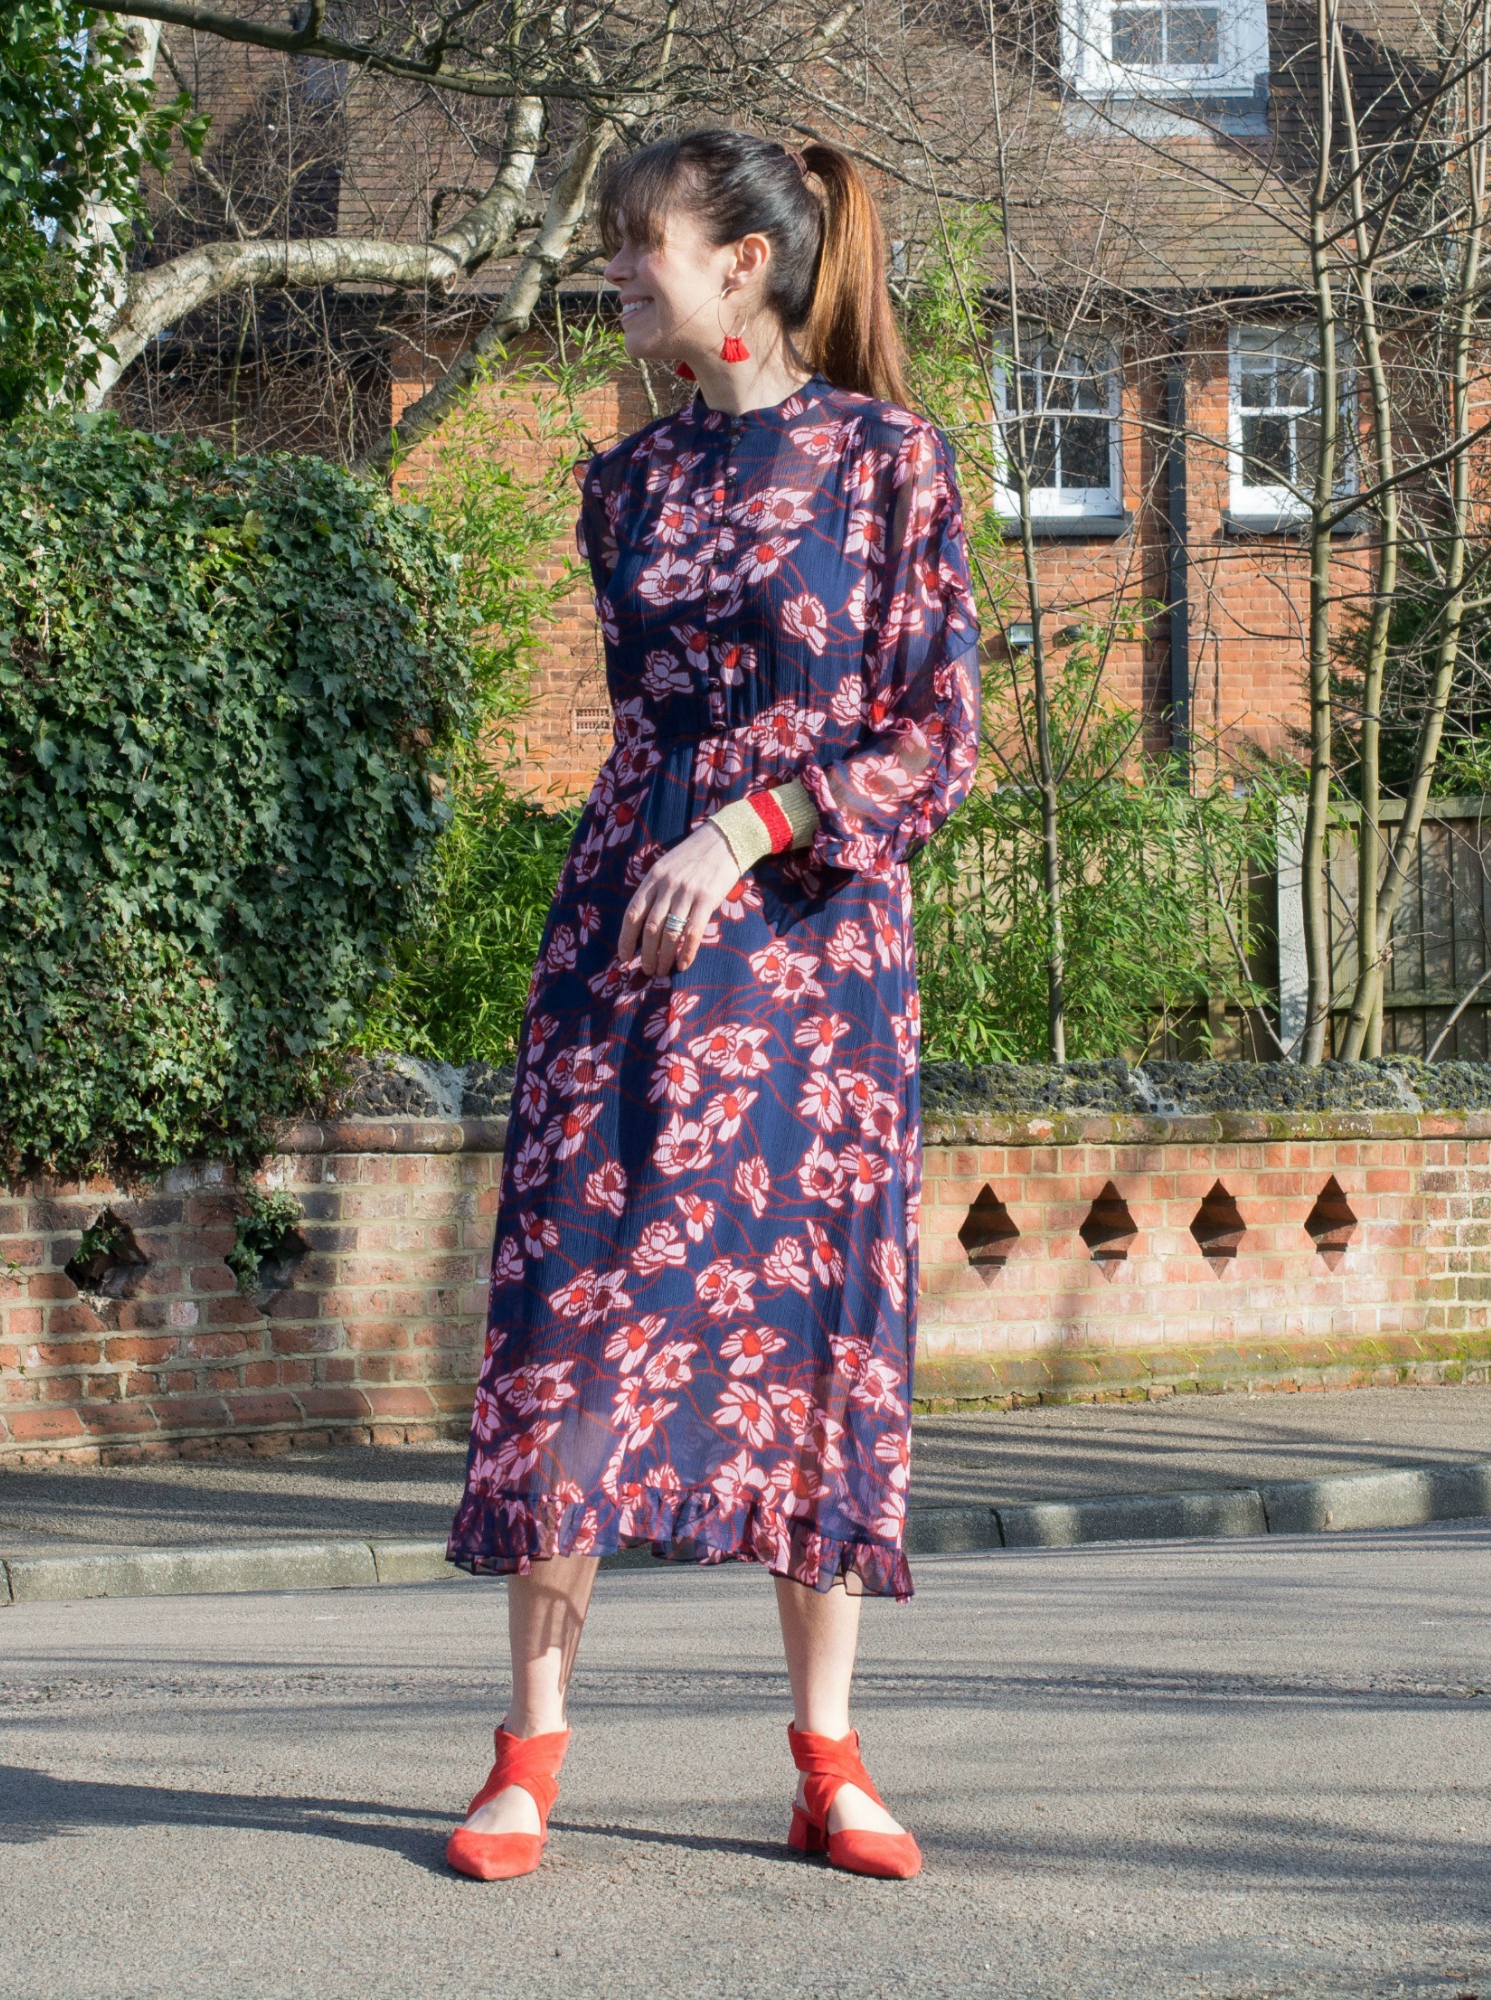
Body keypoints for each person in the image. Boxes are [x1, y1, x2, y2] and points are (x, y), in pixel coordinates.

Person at [438, 128, 981, 1884]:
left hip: (811, 965)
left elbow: (937, 735)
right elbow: (643, 725)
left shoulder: (891, 462)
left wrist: (752, 829)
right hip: (627, 936)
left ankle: (830, 1761)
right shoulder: (627, 486)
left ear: (742, 261)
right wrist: (671, 844)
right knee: (575, 1306)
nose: (616, 269)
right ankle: (527, 1755)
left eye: (638, 242)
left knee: (810, 1331)